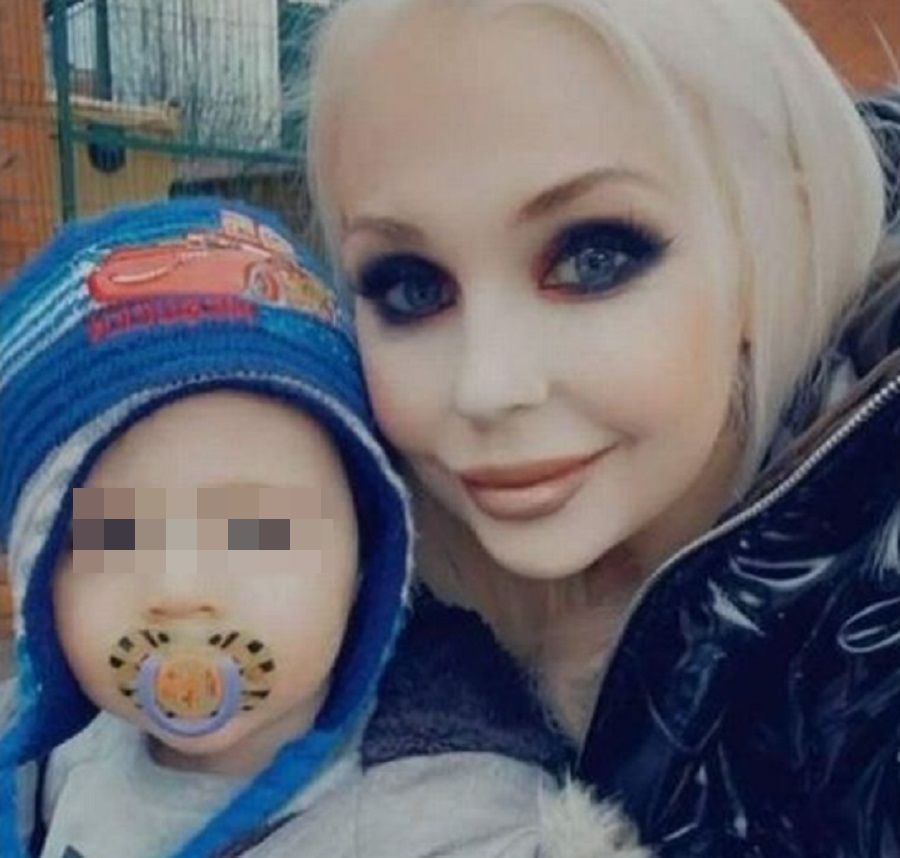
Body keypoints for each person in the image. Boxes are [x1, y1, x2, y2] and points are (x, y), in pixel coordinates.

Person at [301, 0, 900, 854]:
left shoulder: (874, 654)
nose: (487, 386)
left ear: (780, 238)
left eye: (593, 258)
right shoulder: (347, 590)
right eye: (412, 287)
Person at [0, 199, 650, 858]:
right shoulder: (56, 765)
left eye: (254, 530)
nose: (180, 591)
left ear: (366, 553)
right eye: (114, 539)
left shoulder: (452, 822)